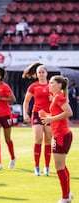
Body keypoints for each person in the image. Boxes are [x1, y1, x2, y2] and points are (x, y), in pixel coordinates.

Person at [41, 75, 74, 203]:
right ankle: (68, 194)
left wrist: (51, 119)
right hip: (61, 134)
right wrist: (47, 115)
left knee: (59, 167)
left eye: (51, 83)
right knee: (62, 166)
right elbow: (59, 114)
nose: (49, 85)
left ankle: (65, 197)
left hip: (61, 135)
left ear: (59, 85)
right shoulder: (56, 97)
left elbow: (69, 112)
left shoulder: (59, 97)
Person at [22, 62, 53, 176]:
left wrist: (53, 98)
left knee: (48, 140)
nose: (41, 74)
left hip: (50, 115)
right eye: (39, 72)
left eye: (43, 72)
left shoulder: (52, 85)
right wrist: (25, 114)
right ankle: (36, 166)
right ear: (36, 74)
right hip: (37, 114)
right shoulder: (33, 86)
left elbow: (61, 99)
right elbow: (26, 101)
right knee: (38, 139)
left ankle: (47, 167)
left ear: (46, 73)